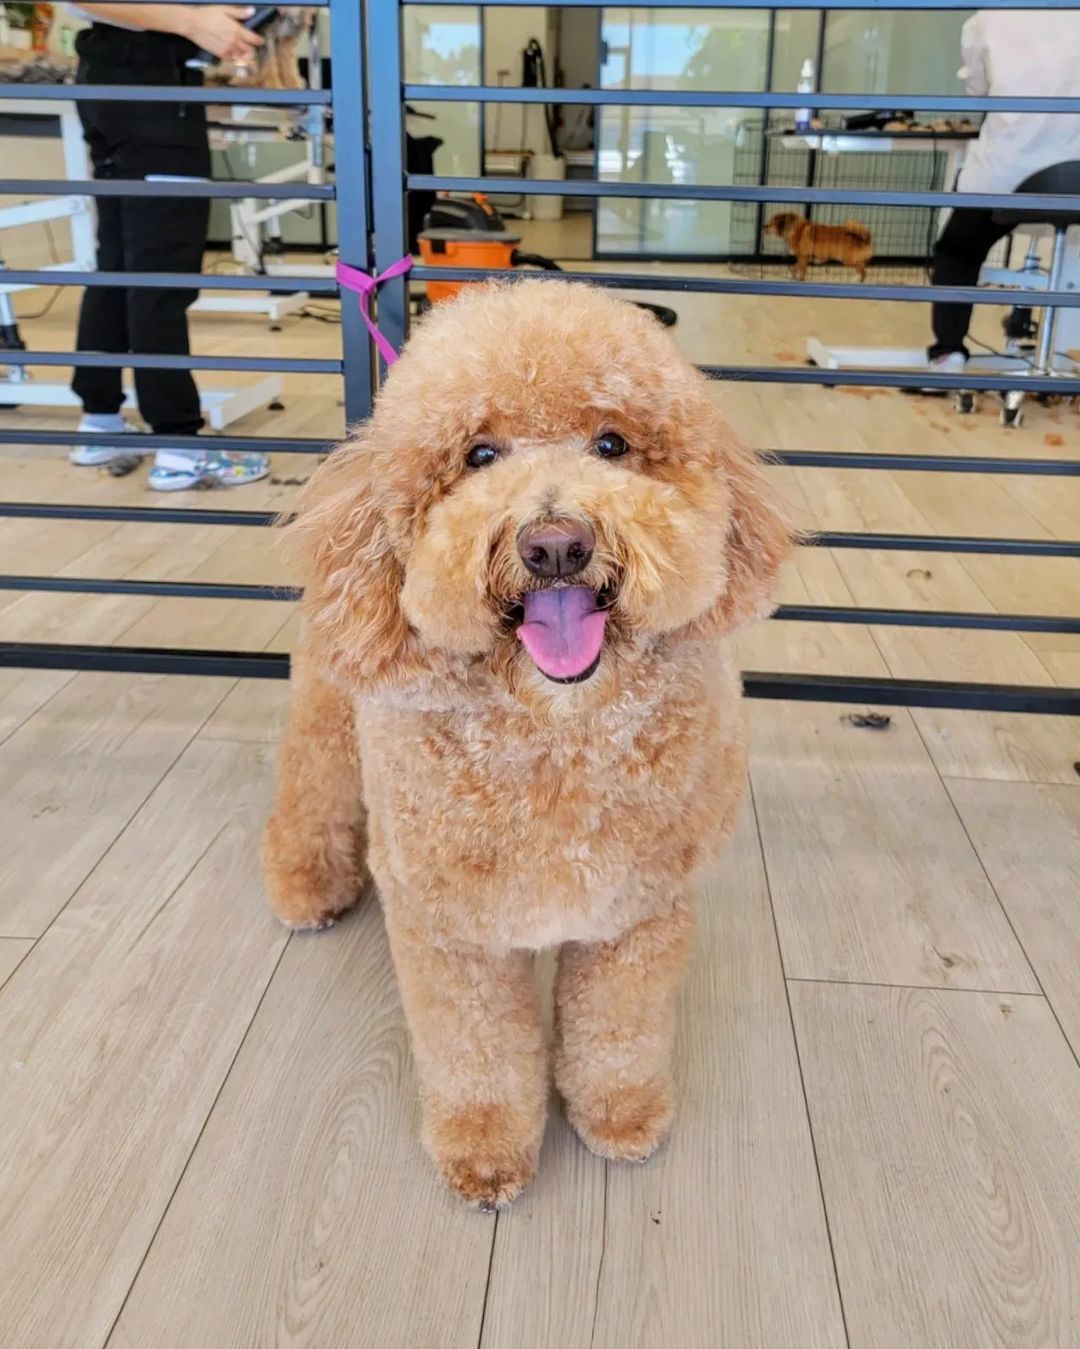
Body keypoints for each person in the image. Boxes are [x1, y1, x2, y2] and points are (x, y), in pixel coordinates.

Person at [69, 3, 271, 489]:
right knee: (160, 278)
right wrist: (192, 21)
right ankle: (181, 448)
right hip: (151, 90)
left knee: (118, 265)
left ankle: (100, 424)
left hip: (118, 77)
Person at [928, 9, 1080, 374]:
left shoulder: (988, 20)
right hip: (1075, 177)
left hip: (1004, 177)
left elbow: (977, 91)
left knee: (957, 252)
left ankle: (949, 355)